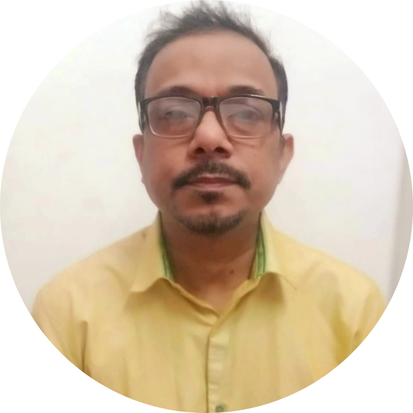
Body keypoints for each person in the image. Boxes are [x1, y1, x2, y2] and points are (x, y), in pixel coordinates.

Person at [32, 2, 385, 411]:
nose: (210, 137)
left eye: (246, 112)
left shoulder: (354, 312)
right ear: (141, 155)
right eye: (174, 112)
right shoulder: (67, 313)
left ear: (282, 154)